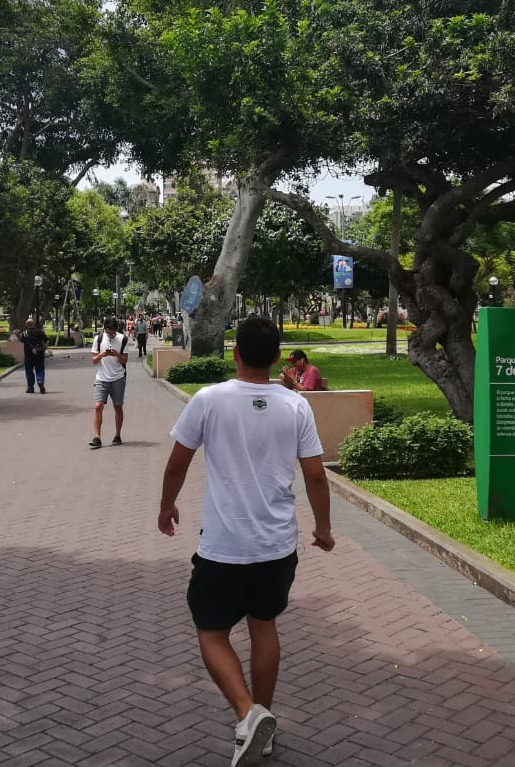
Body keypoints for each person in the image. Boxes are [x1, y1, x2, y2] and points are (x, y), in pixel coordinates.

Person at [157, 315, 334, 766]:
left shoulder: (209, 399)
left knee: (211, 631)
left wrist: (166, 505)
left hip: (223, 544)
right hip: (277, 545)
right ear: (277, 358)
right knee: (264, 625)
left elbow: (177, 464)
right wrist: (323, 528)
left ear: (234, 353)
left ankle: (247, 713)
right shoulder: (296, 406)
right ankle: (262, 721)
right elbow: (315, 474)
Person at [90, 316, 128, 449]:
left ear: (117, 329)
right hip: (102, 378)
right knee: (98, 406)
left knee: (118, 407)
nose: (111, 335)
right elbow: (94, 360)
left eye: (113, 333)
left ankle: (117, 435)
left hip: (118, 377)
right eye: (108, 333)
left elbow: (124, 360)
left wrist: (117, 354)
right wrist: (101, 355)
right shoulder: (99, 339)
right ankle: (97, 437)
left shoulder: (122, 339)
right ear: (104, 329)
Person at [21, 317, 49, 394]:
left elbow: (21, 340)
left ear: (26, 325)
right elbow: (46, 341)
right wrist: (43, 350)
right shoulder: (40, 332)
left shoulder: (24, 334)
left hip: (28, 355)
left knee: (29, 371)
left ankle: (30, 387)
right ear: (34, 324)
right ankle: (40, 380)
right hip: (39, 354)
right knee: (40, 369)